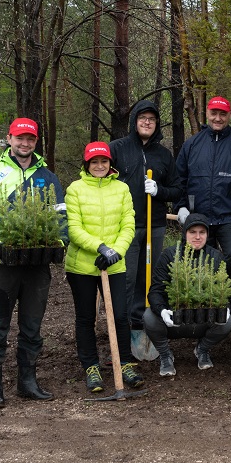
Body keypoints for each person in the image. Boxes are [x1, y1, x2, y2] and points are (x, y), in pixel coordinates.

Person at [0, 117, 67, 408]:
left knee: (32, 326)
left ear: (36, 142)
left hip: (37, 265)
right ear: (9, 138)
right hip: (3, 262)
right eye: (20, 138)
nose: (25, 143)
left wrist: (61, 240)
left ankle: (27, 382)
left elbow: (60, 215)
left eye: (30, 139)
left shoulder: (47, 177)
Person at [64, 142, 142, 393]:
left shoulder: (122, 189)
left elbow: (128, 225)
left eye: (104, 162)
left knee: (120, 315)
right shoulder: (75, 189)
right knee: (86, 317)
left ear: (110, 164)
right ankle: (91, 367)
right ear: (87, 164)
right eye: (94, 162)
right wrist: (100, 248)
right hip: (81, 265)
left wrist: (115, 252)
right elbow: (74, 228)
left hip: (115, 264)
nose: (99, 166)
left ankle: (125, 364)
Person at [109, 99, 183, 347]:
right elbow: (100, 179)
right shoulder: (117, 149)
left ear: (156, 124)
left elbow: (177, 189)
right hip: (125, 226)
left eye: (152, 119)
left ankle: (141, 324)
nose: (147, 122)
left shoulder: (163, 155)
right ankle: (122, 325)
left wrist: (159, 190)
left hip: (155, 225)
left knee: (148, 277)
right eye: (143, 118)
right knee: (126, 277)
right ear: (134, 121)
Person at [175, 96, 231, 311]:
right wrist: (181, 206)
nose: (218, 118)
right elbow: (180, 179)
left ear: (229, 115)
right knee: (199, 261)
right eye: (214, 113)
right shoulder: (192, 144)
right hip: (199, 217)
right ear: (207, 114)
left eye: (223, 114)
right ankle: (205, 302)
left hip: (230, 214)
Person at [145, 213, 231, 375]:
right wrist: (162, 311)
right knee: (149, 318)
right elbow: (155, 290)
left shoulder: (215, 257)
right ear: (184, 233)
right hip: (174, 317)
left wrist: (225, 306)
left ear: (207, 235)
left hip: (203, 318)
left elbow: (223, 290)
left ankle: (202, 349)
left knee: (227, 321)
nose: (197, 237)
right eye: (192, 232)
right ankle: (165, 355)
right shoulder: (169, 255)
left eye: (202, 232)